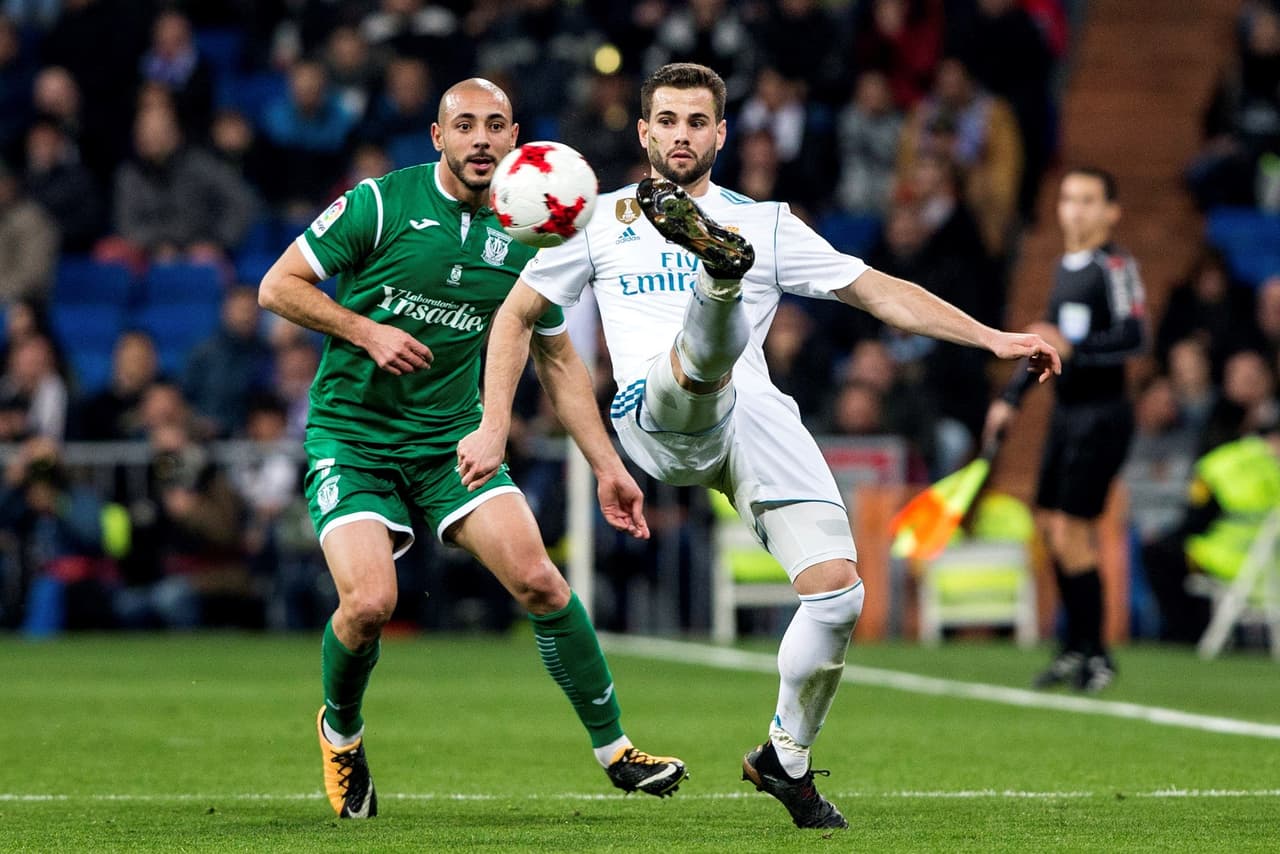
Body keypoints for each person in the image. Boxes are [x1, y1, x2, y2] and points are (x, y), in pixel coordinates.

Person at [460, 62, 1059, 830]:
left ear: (721, 133)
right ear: (644, 132)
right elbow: (516, 318)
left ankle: (786, 757)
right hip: (656, 408)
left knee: (839, 594)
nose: (682, 134)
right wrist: (491, 424)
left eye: (696, 122)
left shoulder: (769, 221)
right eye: (667, 121)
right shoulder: (593, 218)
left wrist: (993, 338)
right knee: (697, 360)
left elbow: (877, 290)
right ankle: (718, 279)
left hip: (752, 413)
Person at [256, 77, 686, 820]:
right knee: (368, 605)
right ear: (437, 136)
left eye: (495, 126)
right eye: (465, 125)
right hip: (351, 439)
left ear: (515, 136)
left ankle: (616, 752)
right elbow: (276, 286)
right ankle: (342, 730)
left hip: (451, 447)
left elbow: (557, 360)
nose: (481, 139)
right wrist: (365, 330)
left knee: (542, 583)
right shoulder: (382, 203)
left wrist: (610, 467)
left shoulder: (530, 234)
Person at [984, 167, 1146, 693]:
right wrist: (1010, 400)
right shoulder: (1063, 268)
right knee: (1051, 525)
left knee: (1074, 531)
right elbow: (1048, 345)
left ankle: (1096, 653)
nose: (1074, 209)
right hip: (1066, 414)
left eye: (1088, 200)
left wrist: (1081, 351)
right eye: (1067, 199)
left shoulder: (1114, 266)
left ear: (1110, 212)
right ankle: (1075, 646)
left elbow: (1135, 337)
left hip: (1103, 415)